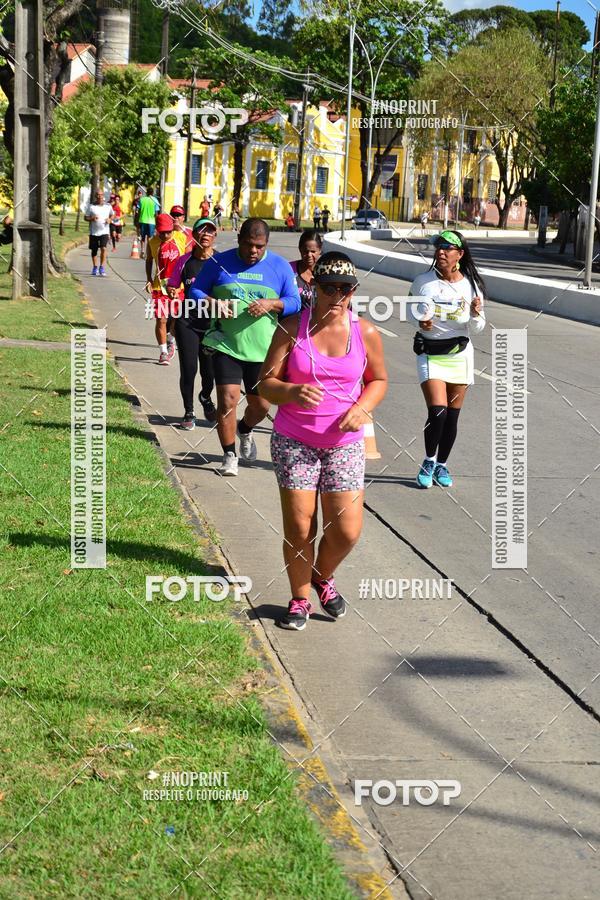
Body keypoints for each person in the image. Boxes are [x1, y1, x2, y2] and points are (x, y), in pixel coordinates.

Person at [259, 251, 387, 631]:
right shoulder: (290, 328)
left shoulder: (365, 332)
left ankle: (322, 575)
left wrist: (363, 408)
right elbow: (265, 381)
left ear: (353, 292)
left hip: (344, 443)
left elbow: (378, 380)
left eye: (345, 290)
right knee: (301, 529)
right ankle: (300, 599)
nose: (337, 296)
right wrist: (292, 393)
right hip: (295, 441)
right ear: (313, 288)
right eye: (329, 288)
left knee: (347, 530)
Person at [189, 218, 301, 476]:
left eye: (260, 246)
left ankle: (246, 429)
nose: (254, 251)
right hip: (226, 344)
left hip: (263, 350)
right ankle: (229, 455)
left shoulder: (279, 266)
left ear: (266, 244)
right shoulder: (219, 263)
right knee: (228, 400)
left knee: (261, 406)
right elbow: (195, 291)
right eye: (249, 245)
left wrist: (271, 304)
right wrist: (212, 302)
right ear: (239, 239)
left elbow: (294, 302)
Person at [408, 229, 486, 489]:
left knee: (452, 416)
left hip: (460, 355)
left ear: (459, 255)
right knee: (438, 412)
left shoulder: (471, 286)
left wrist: (475, 314)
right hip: (430, 354)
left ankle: (442, 464)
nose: (440, 251)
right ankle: (428, 461)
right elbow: (410, 313)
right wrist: (421, 321)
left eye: (447, 248)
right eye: (438, 246)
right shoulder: (423, 282)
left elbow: (477, 328)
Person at [167, 218, 219, 429]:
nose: (205, 234)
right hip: (187, 322)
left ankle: (205, 397)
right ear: (194, 235)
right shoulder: (184, 261)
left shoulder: (220, 263)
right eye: (201, 230)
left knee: (209, 372)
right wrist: (172, 291)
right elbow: (172, 285)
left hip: (212, 326)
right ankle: (189, 411)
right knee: (188, 369)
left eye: (210, 231)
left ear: (215, 236)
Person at [145, 213, 187, 365]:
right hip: (159, 287)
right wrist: (149, 279)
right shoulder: (152, 242)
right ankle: (163, 352)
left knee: (176, 318)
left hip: (178, 287)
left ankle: (171, 339)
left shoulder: (181, 238)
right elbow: (149, 261)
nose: (166, 235)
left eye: (168, 232)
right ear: (157, 230)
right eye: (162, 232)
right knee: (161, 319)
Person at [290, 229, 322, 308]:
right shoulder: (288, 269)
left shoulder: (327, 271)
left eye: (313, 251)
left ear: (320, 250)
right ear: (300, 249)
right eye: (305, 251)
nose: (309, 255)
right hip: (292, 319)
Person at [84, 190, 113, 276]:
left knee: (103, 248)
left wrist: (110, 219)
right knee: (94, 251)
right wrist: (91, 218)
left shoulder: (108, 206)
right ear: (95, 196)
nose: (99, 197)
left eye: (101, 195)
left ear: (103, 196)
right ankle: (95, 267)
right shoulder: (91, 206)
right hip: (94, 232)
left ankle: (102, 267)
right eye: (98, 195)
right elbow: (85, 217)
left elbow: (112, 214)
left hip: (104, 231)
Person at [138, 187, 161, 255]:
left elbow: (138, 210)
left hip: (142, 220)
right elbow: (156, 213)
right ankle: (149, 251)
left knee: (142, 237)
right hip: (151, 222)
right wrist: (157, 222)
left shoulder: (142, 200)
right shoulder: (155, 200)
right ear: (152, 193)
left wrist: (138, 220)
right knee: (149, 237)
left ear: (146, 192)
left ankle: (142, 250)